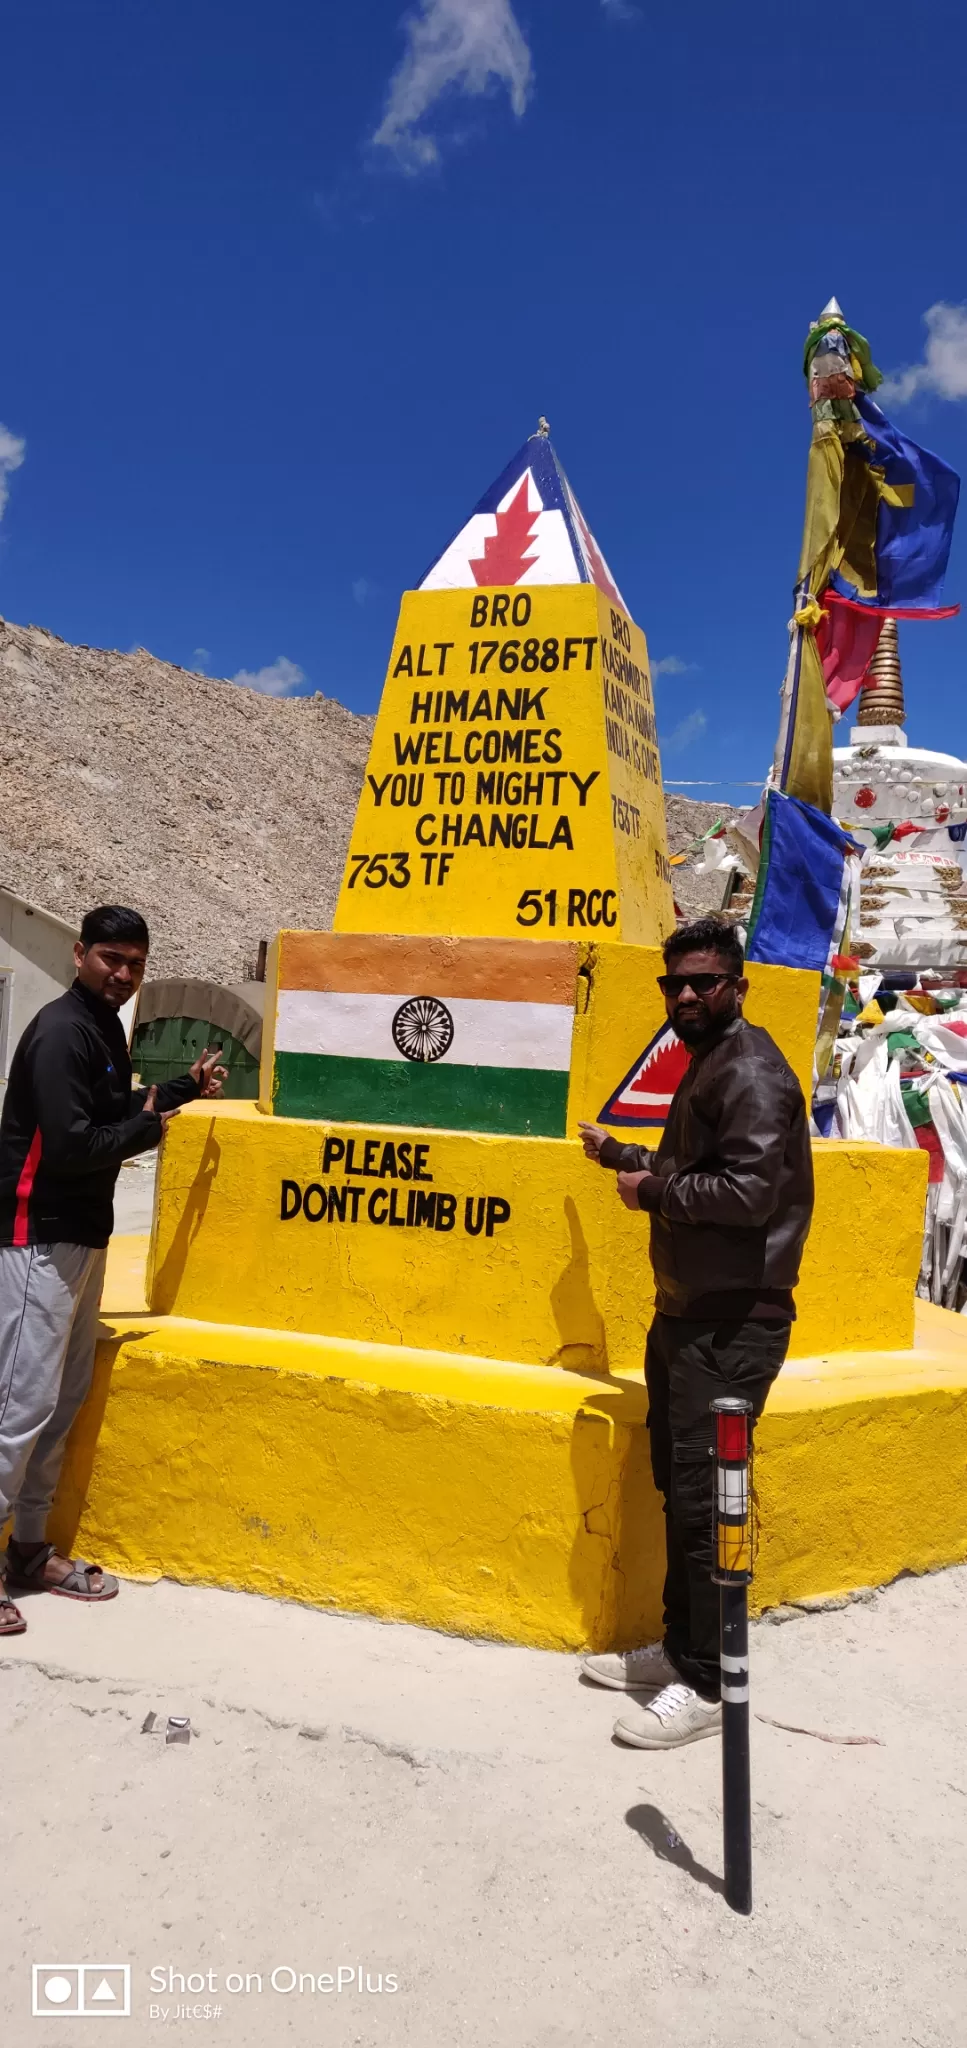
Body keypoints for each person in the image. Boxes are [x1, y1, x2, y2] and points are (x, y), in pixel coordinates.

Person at [578, 916, 814, 1750]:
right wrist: (619, 1157)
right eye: (673, 983)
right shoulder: (709, 1063)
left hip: (731, 1328)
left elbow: (744, 1196)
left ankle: (711, 1684)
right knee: (680, 1493)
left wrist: (645, 1194)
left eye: (703, 981)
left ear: (736, 988)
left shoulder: (749, 1070)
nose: (685, 995)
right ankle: (680, 1652)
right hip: (688, 1318)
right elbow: (700, 1168)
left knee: (707, 1506)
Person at [0, 905, 226, 1636]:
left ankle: (29, 1552)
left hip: (81, 1239)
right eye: (110, 960)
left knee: (60, 1402)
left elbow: (113, 1112)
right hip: (36, 1240)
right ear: (79, 955)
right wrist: (148, 1127)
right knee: (17, 1411)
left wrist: (180, 1092)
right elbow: (71, 1145)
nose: (122, 975)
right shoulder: (65, 1030)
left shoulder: (102, 1029)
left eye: (134, 963)